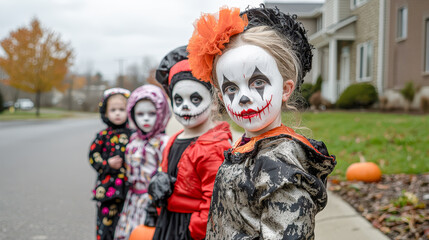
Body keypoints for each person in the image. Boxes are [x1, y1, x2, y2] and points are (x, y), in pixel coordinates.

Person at [187, 5, 337, 239]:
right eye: (231, 88)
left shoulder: (281, 167)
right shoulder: (248, 147)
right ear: (221, 98)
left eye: (258, 82)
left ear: (285, 89)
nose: (244, 97)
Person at [148, 45, 232, 240]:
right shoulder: (174, 139)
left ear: (213, 102)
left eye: (195, 99)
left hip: (190, 229)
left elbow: (214, 199)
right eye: (178, 100)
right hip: (169, 222)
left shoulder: (215, 146)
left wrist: (194, 230)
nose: (185, 106)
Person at [113, 85, 171, 239]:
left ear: (161, 114)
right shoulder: (133, 140)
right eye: (140, 113)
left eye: (152, 113)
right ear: (132, 115)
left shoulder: (163, 142)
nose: (145, 118)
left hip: (153, 202)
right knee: (129, 233)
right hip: (133, 199)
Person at [89, 88, 132, 240]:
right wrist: (107, 163)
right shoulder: (102, 136)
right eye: (113, 110)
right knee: (105, 226)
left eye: (122, 109)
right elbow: (93, 156)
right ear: (106, 113)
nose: (118, 113)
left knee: (126, 225)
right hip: (107, 191)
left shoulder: (133, 135)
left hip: (128, 190)